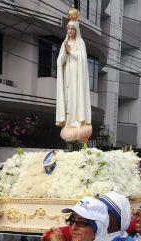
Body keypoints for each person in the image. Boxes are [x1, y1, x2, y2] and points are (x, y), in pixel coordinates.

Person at [55, 9, 92, 142]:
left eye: (72, 29)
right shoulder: (65, 44)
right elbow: (60, 61)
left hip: (77, 77)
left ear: (76, 31)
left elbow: (82, 59)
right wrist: (65, 52)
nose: (70, 32)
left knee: (76, 98)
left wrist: (70, 52)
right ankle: (70, 122)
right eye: (68, 29)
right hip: (68, 76)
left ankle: (77, 121)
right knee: (69, 99)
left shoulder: (80, 43)